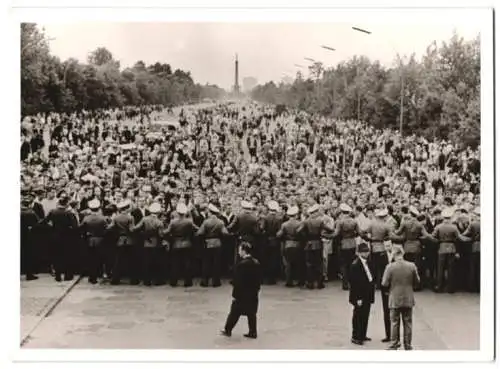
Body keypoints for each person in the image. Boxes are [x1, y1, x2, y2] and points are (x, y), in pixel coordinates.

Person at [381, 245, 420, 350]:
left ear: (394, 254)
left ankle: (394, 343)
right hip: (408, 298)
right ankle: (408, 344)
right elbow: (417, 282)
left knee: (394, 322)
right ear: (402, 253)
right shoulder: (412, 266)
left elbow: (384, 283)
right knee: (408, 322)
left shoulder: (390, 267)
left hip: (394, 298)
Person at [220, 241, 262, 339]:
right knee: (251, 313)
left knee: (234, 312)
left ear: (243, 250)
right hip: (253, 292)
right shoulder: (256, 262)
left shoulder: (242, 264)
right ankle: (253, 331)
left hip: (242, 293)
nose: (239, 252)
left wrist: (235, 291)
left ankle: (228, 329)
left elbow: (238, 280)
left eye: (239, 250)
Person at [164, 203, 199, 287]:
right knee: (187, 263)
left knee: (175, 263)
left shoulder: (173, 222)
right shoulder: (189, 222)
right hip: (187, 243)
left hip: (176, 243)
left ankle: (174, 281)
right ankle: (188, 282)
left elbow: (166, 232)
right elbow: (197, 229)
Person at [132, 202, 165, 286]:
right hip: (156, 243)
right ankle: (158, 280)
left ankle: (147, 280)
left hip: (146, 242)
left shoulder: (144, 219)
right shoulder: (159, 222)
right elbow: (161, 235)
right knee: (156, 262)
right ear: (158, 212)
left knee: (146, 262)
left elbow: (135, 228)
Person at [349, 243, 375, 346]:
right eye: (364, 251)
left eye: (367, 251)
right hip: (359, 295)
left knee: (365, 315)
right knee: (358, 316)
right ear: (359, 253)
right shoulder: (355, 265)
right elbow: (354, 283)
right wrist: (358, 298)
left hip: (367, 293)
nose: (366, 253)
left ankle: (363, 334)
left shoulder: (368, 262)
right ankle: (356, 336)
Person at [197, 203, 229, 287]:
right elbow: (225, 233)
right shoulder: (220, 222)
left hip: (208, 243)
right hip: (217, 243)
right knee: (216, 263)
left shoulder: (206, 222)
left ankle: (205, 281)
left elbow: (200, 233)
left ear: (210, 212)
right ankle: (216, 282)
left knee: (206, 263)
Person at [80, 199, 108, 284]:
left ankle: (92, 276)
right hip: (100, 240)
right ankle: (98, 274)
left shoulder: (86, 218)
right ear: (98, 208)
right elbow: (106, 229)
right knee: (99, 259)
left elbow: (81, 228)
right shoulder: (102, 218)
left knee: (91, 259)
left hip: (90, 240)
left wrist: (86, 235)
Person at [333, 204, 362, 290]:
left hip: (343, 243)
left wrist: (327, 235)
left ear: (342, 212)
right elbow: (360, 233)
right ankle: (352, 282)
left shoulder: (340, 222)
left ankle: (345, 283)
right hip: (352, 243)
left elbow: (336, 234)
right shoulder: (354, 221)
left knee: (343, 265)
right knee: (351, 264)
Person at [277, 205, 304, 287]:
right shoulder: (300, 223)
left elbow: (279, 235)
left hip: (288, 245)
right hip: (297, 245)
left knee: (288, 264)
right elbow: (303, 235)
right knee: (299, 264)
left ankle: (289, 281)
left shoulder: (284, 224)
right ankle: (300, 281)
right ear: (296, 215)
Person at [109, 200, 135, 285]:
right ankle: (133, 280)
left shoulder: (116, 217)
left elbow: (110, 227)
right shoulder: (130, 218)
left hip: (120, 240)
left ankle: (115, 279)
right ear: (127, 208)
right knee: (131, 260)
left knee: (118, 261)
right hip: (129, 240)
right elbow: (132, 230)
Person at [260, 200, 283, 285]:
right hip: (275, 241)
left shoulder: (265, 218)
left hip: (266, 240)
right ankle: (271, 279)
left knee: (265, 259)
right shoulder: (279, 219)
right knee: (273, 260)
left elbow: (262, 228)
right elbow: (279, 231)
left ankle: (263, 278)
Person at [21, 192, 40, 281]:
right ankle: (29, 274)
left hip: (21, 235)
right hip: (29, 236)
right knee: (29, 255)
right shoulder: (31, 213)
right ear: (29, 205)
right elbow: (37, 223)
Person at [463, 207, 480, 292]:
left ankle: (472, 287)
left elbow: (465, 233)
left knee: (473, 266)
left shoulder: (473, 224)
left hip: (474, 246)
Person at [380, 242, 394, 343]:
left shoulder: (397, 257)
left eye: (389, 245)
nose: (387, 247)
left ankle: (394, 335)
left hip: (394, 288)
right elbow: (379, 272)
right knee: (386, 312)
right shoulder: (381, 256)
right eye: (386, 246)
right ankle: (388, 335)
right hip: (385, 288)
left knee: (395, 312)